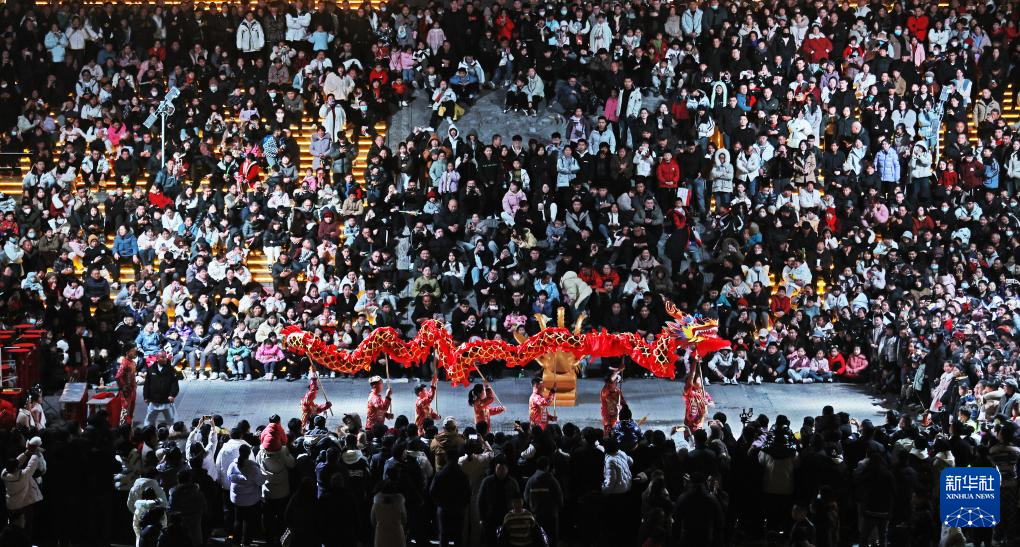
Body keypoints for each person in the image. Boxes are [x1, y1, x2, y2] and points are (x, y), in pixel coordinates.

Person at [227, 444, 264, 546]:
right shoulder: (253, 467)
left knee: (237, 520)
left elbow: (229, 478)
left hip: (236, 498)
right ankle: (246, 542)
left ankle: (236, 540)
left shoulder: (232, 465)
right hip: (250, 500)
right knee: (248, 521)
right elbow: (260, 482)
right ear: (249, 453)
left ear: (239, 453)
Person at [142, 352, 179, 427]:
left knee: (172, 420)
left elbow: (174, 384)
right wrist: (146, 396)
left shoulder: (171, 369)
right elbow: (147, 384)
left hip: (167, 400)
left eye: (165, 357)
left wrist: (172, 395)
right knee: (149, 420)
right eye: (162, 357)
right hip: (154, 400)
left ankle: (175, 432)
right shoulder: (151, 369)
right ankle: (148, 431)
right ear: (157, 358)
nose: (165, 359)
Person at [600, 366, 626, 433]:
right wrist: (618, 371)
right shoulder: (605, 391)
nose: (616, 383)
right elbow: (610, 381)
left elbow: (624, 403)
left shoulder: (618, 391)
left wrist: (622, 407)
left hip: (617, 418)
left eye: (616, 381)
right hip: (608, 420)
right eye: (615, 381)